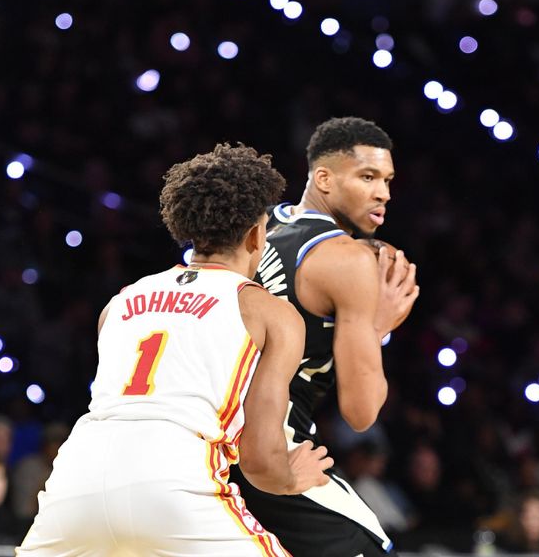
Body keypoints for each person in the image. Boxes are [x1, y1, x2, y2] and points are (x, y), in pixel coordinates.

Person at [18, 143, 334, 556]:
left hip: (75, 480)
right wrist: (292, 478)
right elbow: (259, 460)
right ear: (258, 232)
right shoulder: (269, 311)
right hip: (172, 478)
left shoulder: (119, 302)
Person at [229, 116, 419, 555]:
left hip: (203, 437)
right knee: (371, 544)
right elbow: (361, 412)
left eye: (388, 180)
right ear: (324, 178)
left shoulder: (257, 233)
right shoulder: (346, 259)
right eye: (367, 177)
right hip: (268, 447)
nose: (383, 193)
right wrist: (376, 328)